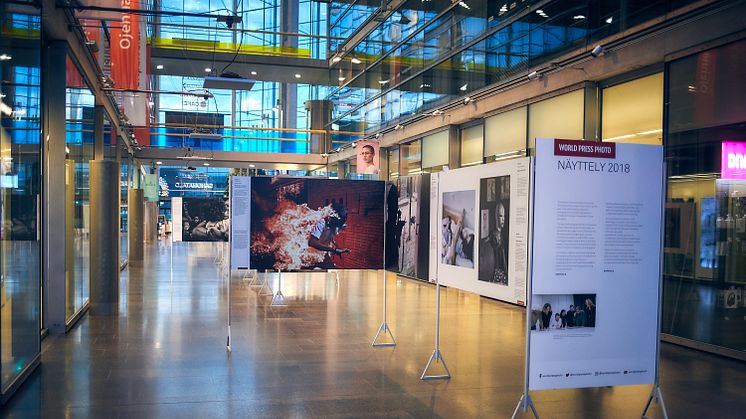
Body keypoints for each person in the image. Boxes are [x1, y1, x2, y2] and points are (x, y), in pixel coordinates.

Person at [308, 202, 351, 268]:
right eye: (337, 222)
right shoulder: (321, 223)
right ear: (332, 216)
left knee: (331, 269)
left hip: (322, 254)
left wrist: (337, 249)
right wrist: (334, 250)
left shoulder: (336, 226)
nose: (337, 225)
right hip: (310, 255)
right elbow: (312, 242)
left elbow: (330, 238)